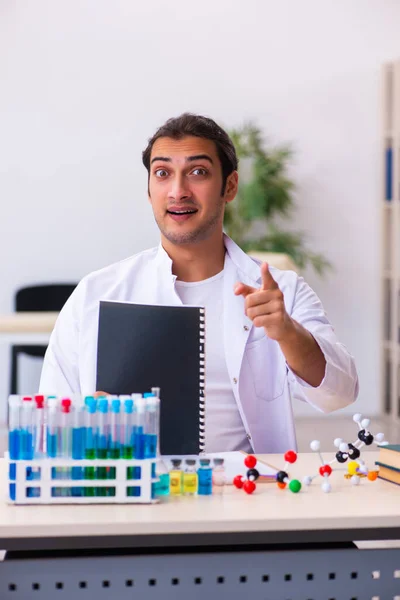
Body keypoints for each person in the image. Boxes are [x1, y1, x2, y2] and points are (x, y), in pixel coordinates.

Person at [39, 113, 358, 453]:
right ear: (149, 189)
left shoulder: (281, 292)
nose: (178, 191)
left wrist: (287, 333)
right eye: (163, 173)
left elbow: (340, 393)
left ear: (230, 186)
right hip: (135, 492)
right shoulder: (96, 294)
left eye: (198, 172)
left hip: (247, 493)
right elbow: (48, 427)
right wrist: (90, 422)